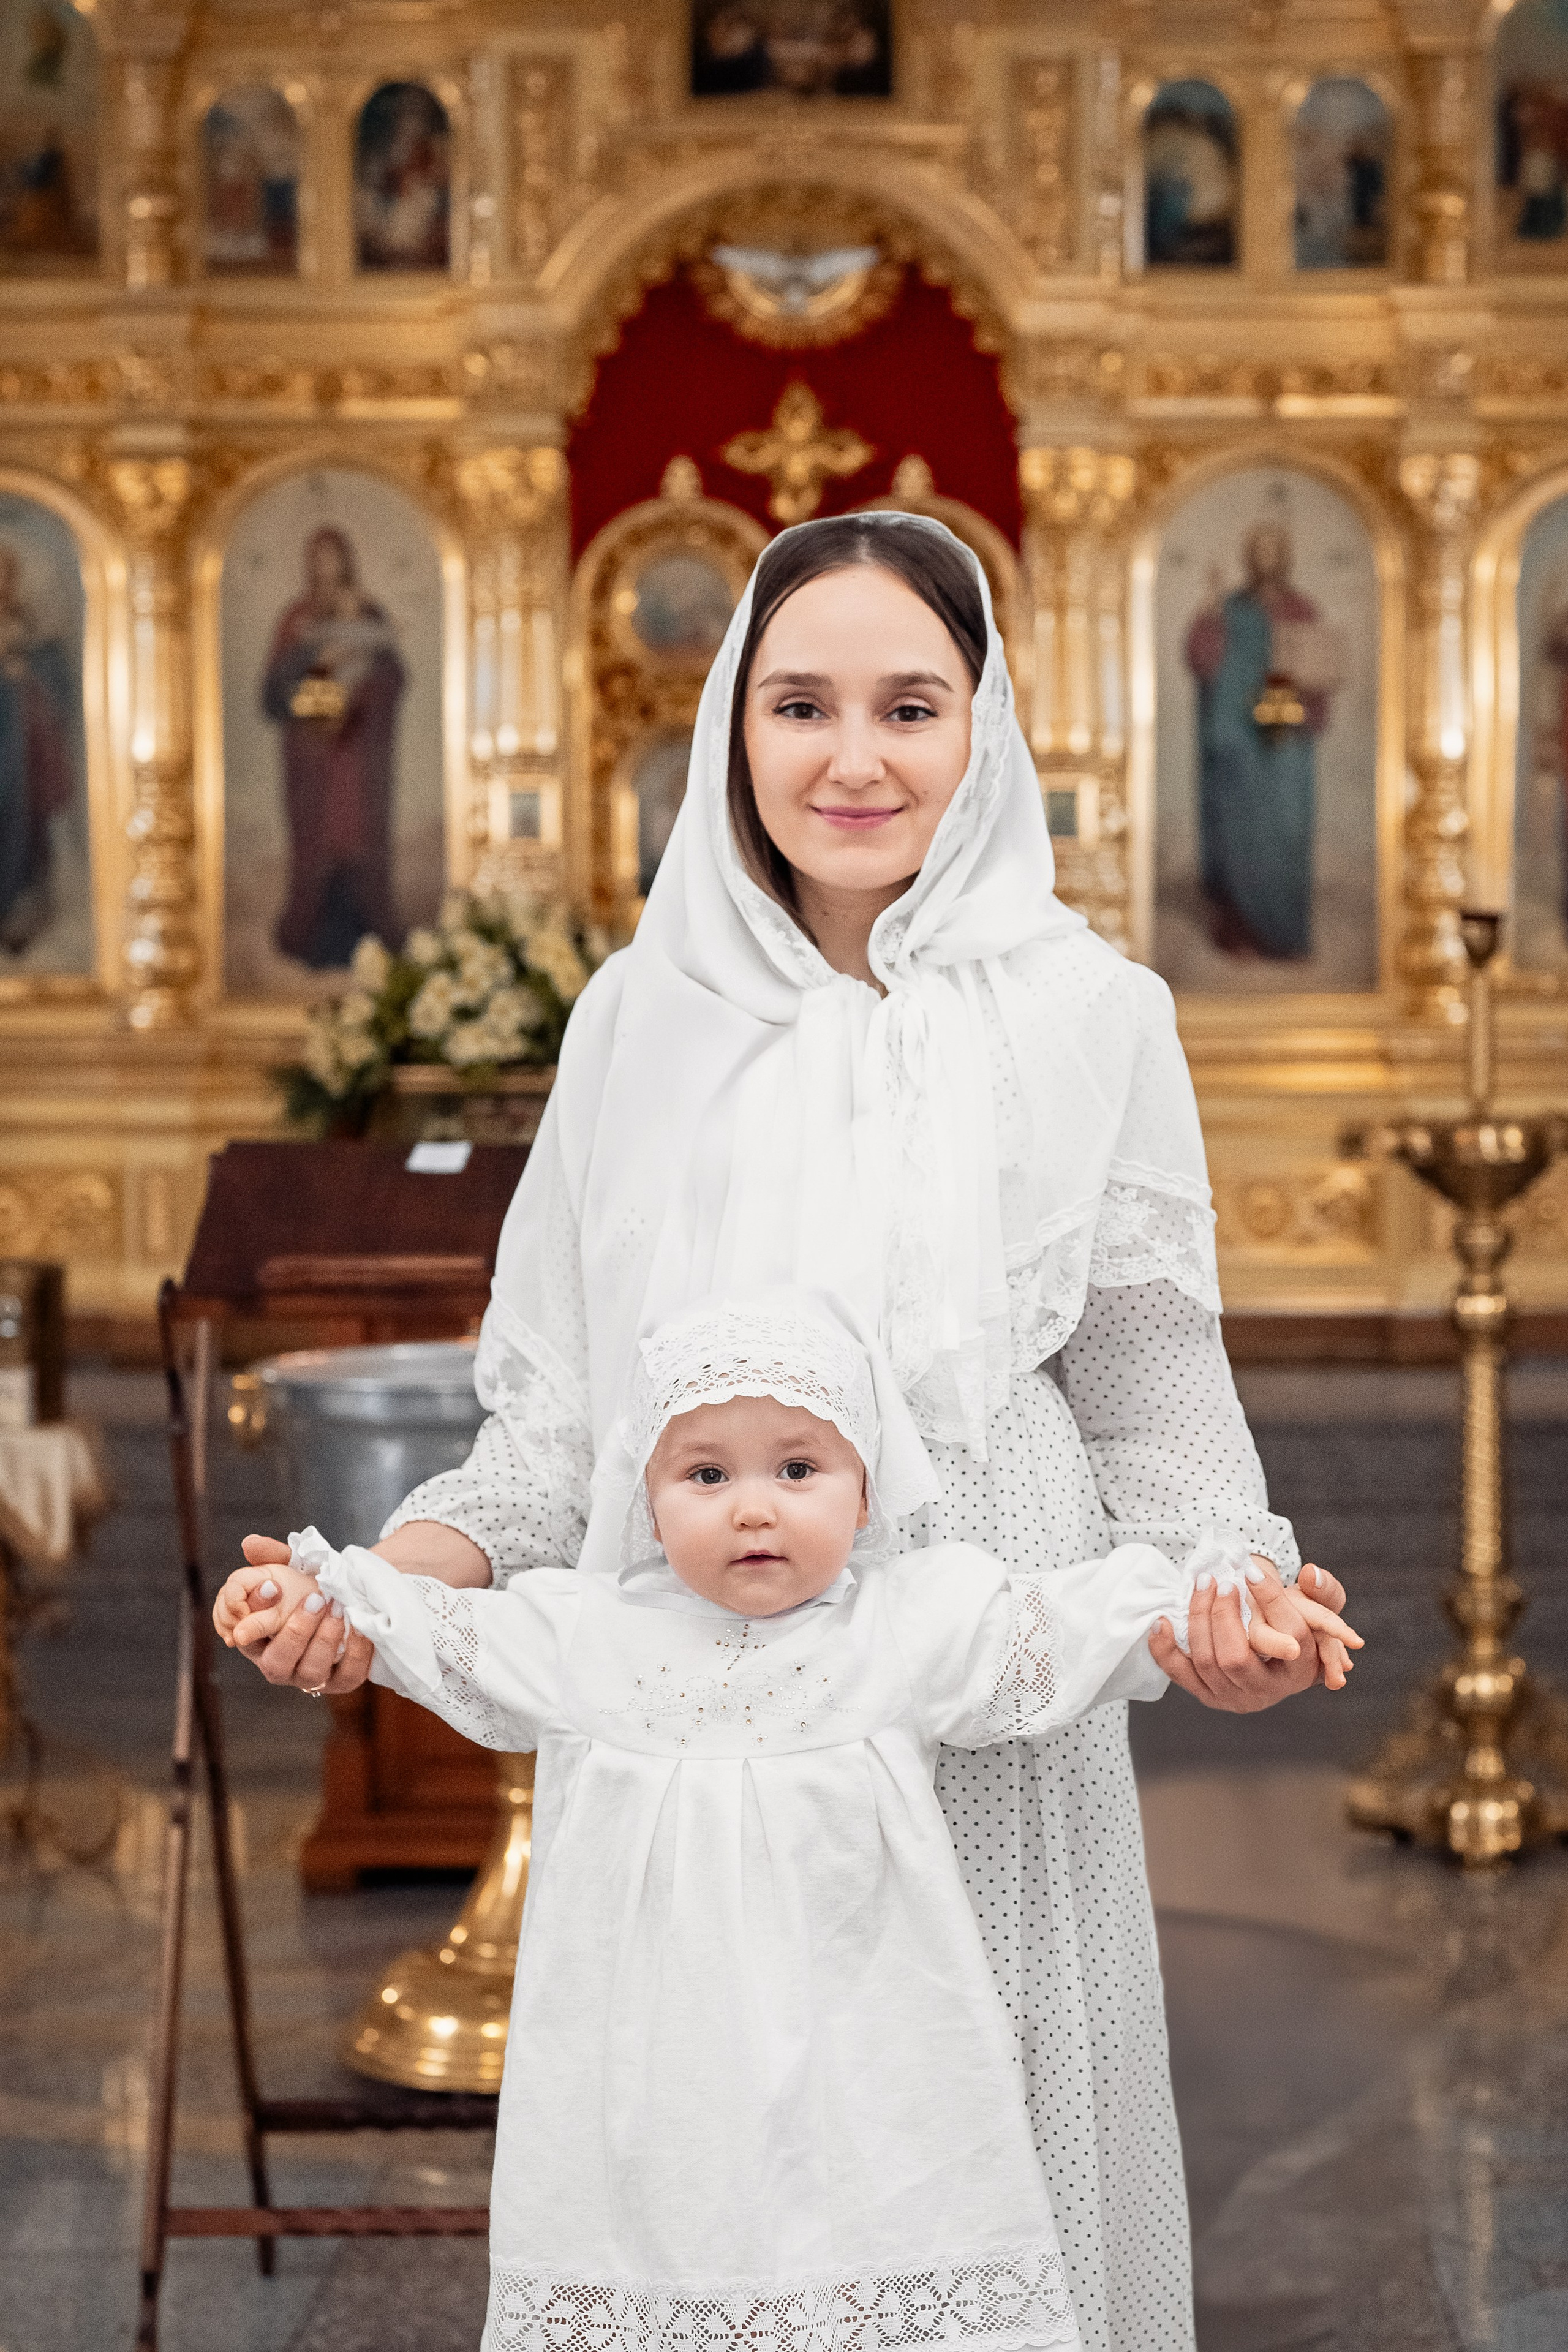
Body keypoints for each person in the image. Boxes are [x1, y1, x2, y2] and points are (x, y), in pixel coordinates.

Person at [243, 511, 1353, 2352]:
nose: (854, 758)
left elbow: (1154, 1398)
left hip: (990, 1719)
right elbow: (551, 1434)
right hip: (696, 1759)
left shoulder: (1096, 1018)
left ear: (983, 723)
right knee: (717, 2231)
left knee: (985, 2229)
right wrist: (363, 1585)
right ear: (730, 731)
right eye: (800, 704)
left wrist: (1222, 1599)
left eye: (910, 704)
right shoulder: (634, 1025)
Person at [218, 1295, 1360, 2352]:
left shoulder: (910, 1623)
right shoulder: (587, 1636)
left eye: (798, 1468)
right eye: (705, 1473)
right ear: (646, 1501)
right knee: (660, 2242)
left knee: (879, 2240)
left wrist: (1230, 1604)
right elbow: (426, 1630)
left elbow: (1084, 1617)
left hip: (875, 2043)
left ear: (864, 1496)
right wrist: (316, 1600)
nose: (753, 1506)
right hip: (655, 2062)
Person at [1183, 519, 1344, 960]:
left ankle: (1283, 934)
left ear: (1284, 557)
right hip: (1237, 739)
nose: (1266, 558)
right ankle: (1241, 932)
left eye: (1275, 549)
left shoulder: (1301, 610)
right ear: (1249, 557)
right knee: (1238, 831)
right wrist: (1212, 609)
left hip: (1284, 739)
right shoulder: (1230, 607)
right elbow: (1201, 660)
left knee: (1286, 831)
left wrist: (1299, 688)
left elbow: (1319, 664)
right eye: (1259, 549)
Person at [260, 525, 406, 969]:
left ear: (346, 560)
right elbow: (274, 694)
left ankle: (371, 933)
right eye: (318, 557)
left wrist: (359, 689)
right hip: (314, 759)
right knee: (318, 844)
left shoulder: (369, 613)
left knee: (359, 839)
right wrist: (323, 671)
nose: (327, 567)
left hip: (359, 759)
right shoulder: (295, 620)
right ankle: (313, 939)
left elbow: (393, 677)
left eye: (334, 556)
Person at [0, 540, 77, 956]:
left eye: (2, 573)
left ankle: (17, 916)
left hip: (19, 750)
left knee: (22, 824)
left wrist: (22, 675)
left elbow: (52, 677)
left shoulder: (28, 629)